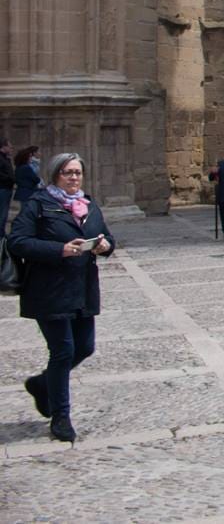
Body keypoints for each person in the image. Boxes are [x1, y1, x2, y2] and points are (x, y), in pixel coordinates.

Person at [8, 152, 114, 443]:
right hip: (49, 291)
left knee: (85, 347)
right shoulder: (39, 204)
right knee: (63, 351)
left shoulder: (88, 205)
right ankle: (61, 416)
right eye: (68, 172)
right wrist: (59, 250)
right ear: (56, 174)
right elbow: (17, 241)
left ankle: (42, 385)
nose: (73, 177)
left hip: (82, 290)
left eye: (77, 172)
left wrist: (104, 245)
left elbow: (107, 237)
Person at [0, 137, 14, 232]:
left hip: (7, 188)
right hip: (2, 188)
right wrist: (9, 179)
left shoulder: (5, 158)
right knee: (2, 213)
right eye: (9, 146)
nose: (11, 148)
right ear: (3, 147)